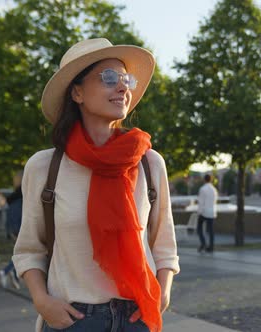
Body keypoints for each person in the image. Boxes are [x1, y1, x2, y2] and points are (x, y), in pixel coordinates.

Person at [12, 38, 180, 332]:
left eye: (126, 79)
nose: (123, 87)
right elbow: (29, 249)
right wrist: (42, 301)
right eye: (109, 77)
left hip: (137, 317)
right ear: (77, 92)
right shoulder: (44, 167)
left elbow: (163, 244)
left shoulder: (149, 163)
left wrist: (162, 293)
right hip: (74, 319)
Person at [0, 170, 24, 289]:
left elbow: (11, 215)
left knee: (19, 253)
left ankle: (14, 276)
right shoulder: (23, 196)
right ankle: (5, 271)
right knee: (22, 253)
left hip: (13, 227)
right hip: (20, 228)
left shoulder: (13, 197)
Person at [196, 174, 218, 253]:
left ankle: (203, 244)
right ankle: (211, 247)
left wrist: (199, 212)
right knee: (211, 231)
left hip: (204, 212)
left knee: (199, 229)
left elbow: (201, 202)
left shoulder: (203, 189)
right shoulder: (214, 189)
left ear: (204, 180)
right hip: (212, 212)